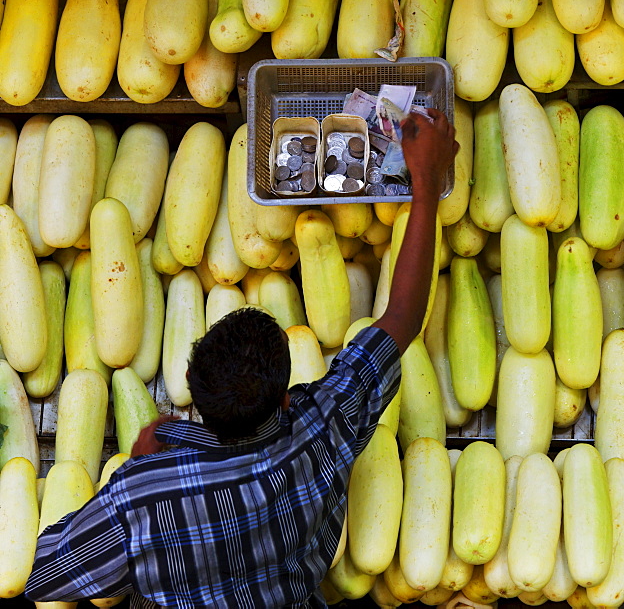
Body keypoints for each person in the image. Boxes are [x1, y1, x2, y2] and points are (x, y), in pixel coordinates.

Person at [24, 108, 458, 608]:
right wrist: (423, 188)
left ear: (189, 380)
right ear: (286, 392)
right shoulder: (319, 432)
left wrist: (136, 468)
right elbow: (400, 318)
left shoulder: (139, 499)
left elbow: (41, 573)